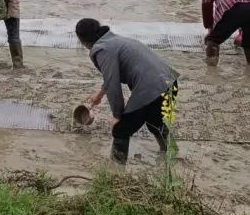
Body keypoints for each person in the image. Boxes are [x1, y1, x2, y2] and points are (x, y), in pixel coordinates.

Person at [76, 18, 179, 165]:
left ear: (82, 41)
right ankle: (171, 155)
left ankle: (116, 172)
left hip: (152, 89)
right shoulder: (114, 40)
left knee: (120, 130)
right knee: (154, 121)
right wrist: (100, 94)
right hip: (170, 82)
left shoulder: (102, 50)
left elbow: (113, 84)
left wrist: (117, 115)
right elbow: (113, 76)